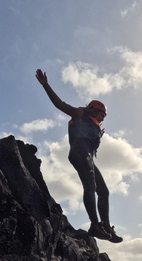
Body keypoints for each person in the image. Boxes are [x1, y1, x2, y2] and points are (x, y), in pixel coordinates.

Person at [35, 69, 122, 243]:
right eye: (101, 115)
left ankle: (105, 226)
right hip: (79, 153)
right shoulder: (80, 114)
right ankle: (95, 225)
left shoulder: (94, 125)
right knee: (90, 187)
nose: (103, 119)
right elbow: (59, 104)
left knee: (103, 190)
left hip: (86, 154)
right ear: (93, 110)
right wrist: (46, 85)